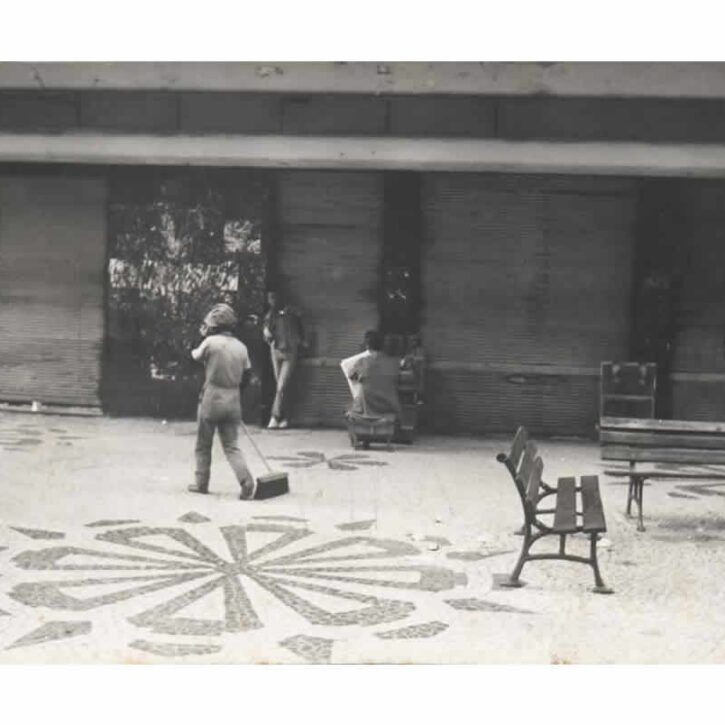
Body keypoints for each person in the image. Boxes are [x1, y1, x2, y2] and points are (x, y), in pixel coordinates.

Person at [188, 302, 256, 500]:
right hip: (233, 399)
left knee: (203, 444)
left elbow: (194, 356)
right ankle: (246, 481)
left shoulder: (210, 343)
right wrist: (235, 393)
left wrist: (202, 337)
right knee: (231, 446)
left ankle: (201, 483)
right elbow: (247, 376)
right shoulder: (241, 347)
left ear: (213, 325)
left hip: (211, 397)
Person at [263, 290, 305, 429]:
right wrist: (267, 334)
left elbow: (300, 330)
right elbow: (267, 335)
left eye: (273, 297)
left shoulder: (292, 313)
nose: (271, 301)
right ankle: (285, 418)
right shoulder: (270, 316)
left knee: (281, 386)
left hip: (289, 352)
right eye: (269, 298)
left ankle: (274, 417)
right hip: (276, 351)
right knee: (281, 387)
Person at [344, 330, 402, 420]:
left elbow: (352, 376)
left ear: (367, 345)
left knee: (348, 408)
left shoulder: (363, 361)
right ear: (383, 345)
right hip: (391, 408)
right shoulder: (394, 362)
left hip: (369, 410)